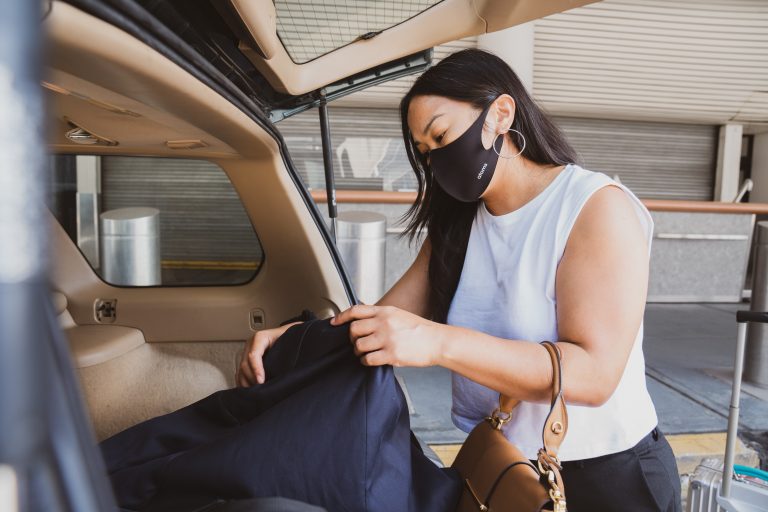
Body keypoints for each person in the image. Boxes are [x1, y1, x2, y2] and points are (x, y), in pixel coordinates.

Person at [236, 48, 682, 512]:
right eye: (425, 151)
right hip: (508, 473)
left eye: (442, 135)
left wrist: (438, 342)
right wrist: (293, 339)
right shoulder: (458, 227)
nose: (436, 160)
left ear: (500, 115)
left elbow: (593, 375)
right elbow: (382, 324)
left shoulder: (593, 207)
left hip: (611, 479)